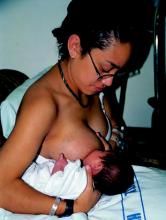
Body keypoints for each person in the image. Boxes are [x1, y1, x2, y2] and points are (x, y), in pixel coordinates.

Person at [0, 0, 154, 218]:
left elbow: (116, 125)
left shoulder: (95, 85)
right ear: (75, 47)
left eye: (117, 72)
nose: (110, 83)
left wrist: (115, 140)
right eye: (105, 69)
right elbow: (1, 186)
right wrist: (71, 207)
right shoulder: (43, 106)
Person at [22, 150, 134, 199]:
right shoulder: (87, 186)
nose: (98, 150)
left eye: (101, 151)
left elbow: (54, 185)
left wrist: (60, 166)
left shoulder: (80, 180)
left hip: (29, 178)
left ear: (98, 166)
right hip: (33, 176)